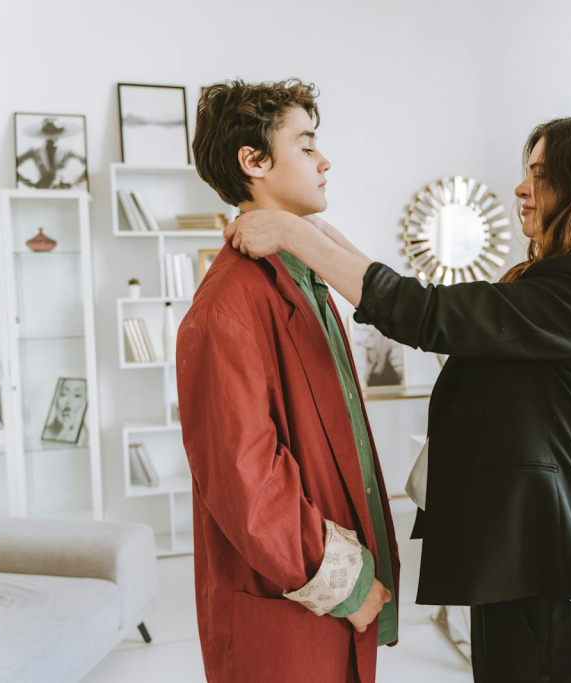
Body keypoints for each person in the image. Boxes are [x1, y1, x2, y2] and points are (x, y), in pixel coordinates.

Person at [224, 116, 571, 683]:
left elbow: (428, 314)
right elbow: (424, 305)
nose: (521, 188)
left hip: (547, 564)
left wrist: (296, 236)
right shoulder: (561, 277)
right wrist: (301, 228)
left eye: (540, 174)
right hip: (520, 558)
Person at [176, 79, 399, 683]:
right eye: (306, 146)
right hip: (287, 612)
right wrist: (351, 590)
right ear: (253, 161)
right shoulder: (227, 305)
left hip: (318, 606)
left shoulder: (302, 276)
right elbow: (249, 483)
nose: (324, 161)